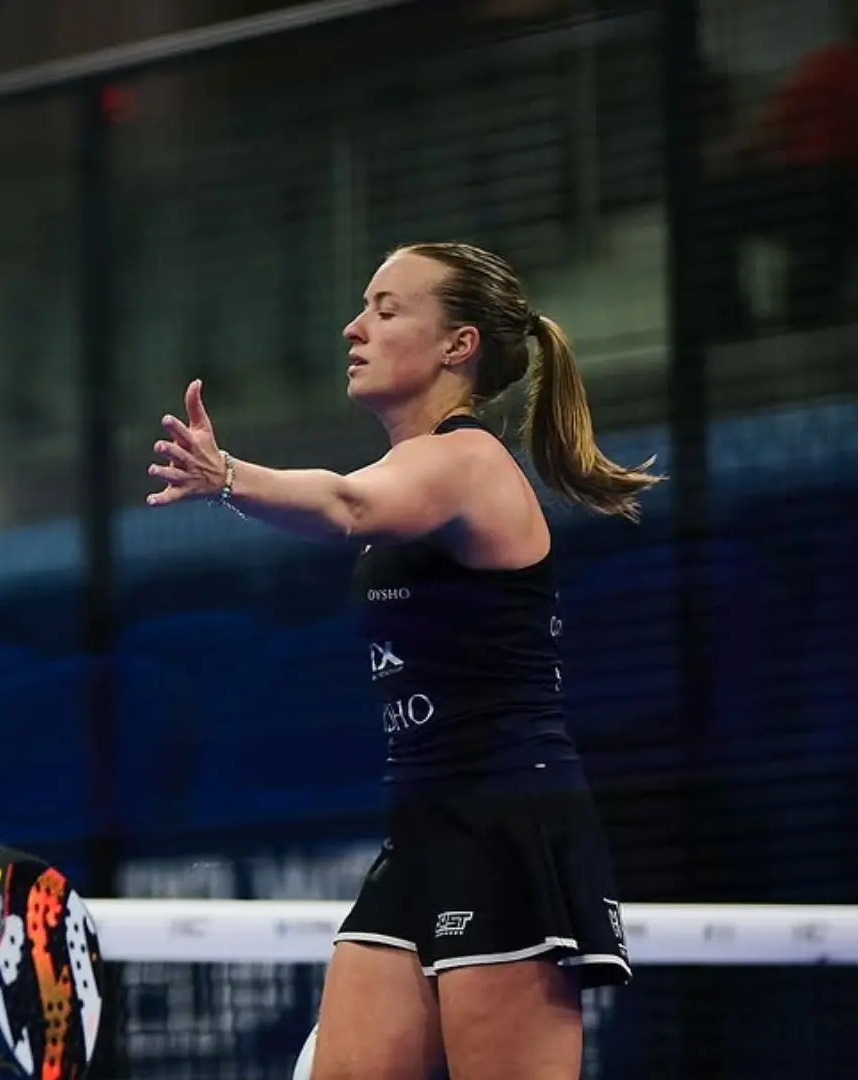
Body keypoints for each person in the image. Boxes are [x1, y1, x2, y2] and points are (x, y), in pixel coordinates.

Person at [147, 242, 652, 1080]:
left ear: (458, 346)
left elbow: (346, 505)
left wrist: (228, 473)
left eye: (386, 309)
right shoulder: (416, 473)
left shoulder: (470, 463)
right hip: (421, 827)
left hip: (507, 823)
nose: (355, 327)